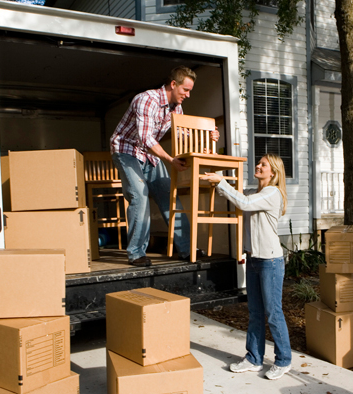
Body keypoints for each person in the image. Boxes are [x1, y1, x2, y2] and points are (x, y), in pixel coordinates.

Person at [110, 66, 218, 267]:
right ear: (173, 84)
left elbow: (183, 134)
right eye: (185, 90)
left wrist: (208, 138)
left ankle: (187, 249)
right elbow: (145, 138)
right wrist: (170, 160)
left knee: (170, 196)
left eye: (190, 91)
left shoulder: (176, 107)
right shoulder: (146, 99)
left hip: (148, 155)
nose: (187, 95)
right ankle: (136, 253)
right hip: (126, 150)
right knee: (139, 195)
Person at [201, 154, 292, 380]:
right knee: (255, 312)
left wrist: (221, 182)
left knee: (273, 312)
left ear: (273, 172)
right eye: (259, 163)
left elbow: (244, 203)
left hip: (270, 261)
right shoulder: (256, 192)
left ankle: (284, 360)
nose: (258, 166)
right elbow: (240, 197)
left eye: (263, 165)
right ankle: (253, 358)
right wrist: (218, 179)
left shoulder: (272, 193)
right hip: (253, 259)